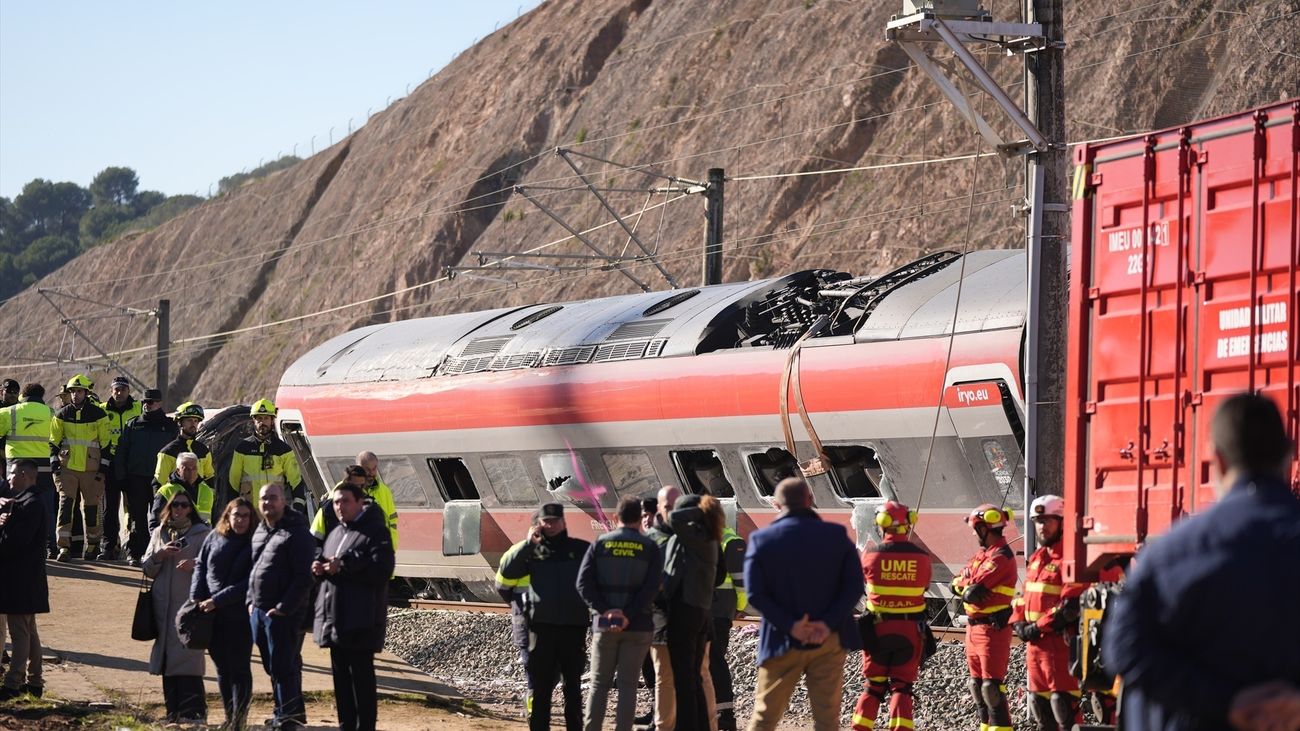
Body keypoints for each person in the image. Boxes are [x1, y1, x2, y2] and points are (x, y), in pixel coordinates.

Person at [1104, 393, 1300, 731]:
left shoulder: (1168, 554)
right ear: (1289, 455)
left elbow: (1124, 650)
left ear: (1217, 460)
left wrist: (1227, 702)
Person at [744, 477, 864, 731]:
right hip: (829, 639)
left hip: (781, 639)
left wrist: (792, 626)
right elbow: (854, 587)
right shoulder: (836, 536)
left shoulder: (761, 540)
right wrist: (826, 623)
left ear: (776, 504)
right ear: (810, 500)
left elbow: (755, 594)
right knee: (827, 720)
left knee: (765, 717)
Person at [498, 502, 591, 731]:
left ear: (563, 522)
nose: (550, 525)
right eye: (546, 521)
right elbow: (507, 574)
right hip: (540, 630)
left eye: (554, 520)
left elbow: (596, 583)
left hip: (573, 629)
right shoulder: (530, 552)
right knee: (541, 689)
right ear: (538, 524)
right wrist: (528, 544)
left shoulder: (581, 549)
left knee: (572, 687)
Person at [312, 481, 395, 731]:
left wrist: (344, 565)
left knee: (361, 681)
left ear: (360, 502)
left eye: (345, 501)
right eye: (336, 502)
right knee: (341, 683)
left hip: (361, 620)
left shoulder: (375, 531)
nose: (340, 507)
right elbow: (330, 567)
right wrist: (318, 569)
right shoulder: (336, 532)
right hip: (334, 620)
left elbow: (382, 569)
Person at [577, 496, 663, 731]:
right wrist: (628, 614)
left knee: (598, 685)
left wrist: (607, 612)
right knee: (628, 685)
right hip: (638, 626)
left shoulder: (600, 543)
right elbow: (652, 587)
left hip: (605, 626)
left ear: (615, 518)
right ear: (640, 518)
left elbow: (583, 584)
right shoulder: (650, 547)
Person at [850, 501, 932, 731]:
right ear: (909, 523)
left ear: (881, 524)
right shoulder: (922, 557)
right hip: (910, 632)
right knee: (901, 687)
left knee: (873, 687)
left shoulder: (870, 555)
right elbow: (924, 586)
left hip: (877, 631)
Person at [1011, 495, 1085, 730]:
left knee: (1063, 707)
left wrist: (1037, 627)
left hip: (1059, 645)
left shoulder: (1070, 559)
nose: (1042, 527)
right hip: (1035, 646)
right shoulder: (1037, 558)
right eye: (1038, 521)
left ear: (1062, 522)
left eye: (1047, 521)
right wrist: (1018, 621)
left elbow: (1070, 606)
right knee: (1040, 708)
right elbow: (1023, 595)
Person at [248, 482, 315, 729]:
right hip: (258, 612)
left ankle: (288, 719)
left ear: (283, 501)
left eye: (273, 498)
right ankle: (284, 712)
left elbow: (304, 577)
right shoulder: (260, 530)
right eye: (264, 498)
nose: (268, 502)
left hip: (283, 614)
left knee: (284, 666)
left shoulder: (298, 533)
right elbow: (253, 569)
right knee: (273, 666)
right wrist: (250, 601)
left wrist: (285, 607)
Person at [143, 491, 211, 723]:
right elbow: (147, 568)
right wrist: (159, 555)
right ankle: (172, 712)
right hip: (162, 609)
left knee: (189, 660)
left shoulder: (203, 534)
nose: (179, 509)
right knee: (167, 662)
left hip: (189, 609)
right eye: (175, 506)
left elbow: (214, 565)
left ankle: (195, 713)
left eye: (184, 505)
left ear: (191, 509)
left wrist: (195, 564)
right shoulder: (159, 533)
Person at [951, 504, 1019, 731]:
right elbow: (957, 584)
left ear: (985, 528)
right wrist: (966, 585)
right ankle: (984, 727)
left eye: (976, 528)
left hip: (992, 629)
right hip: (973, 629)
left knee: (991, 688)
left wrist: (966, 586)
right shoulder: (982, 556)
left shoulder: (1000, 557)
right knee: (977, 685)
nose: (974, 534)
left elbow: (971, 592)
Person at [192, 497, 256, 730]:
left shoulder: (255, 543)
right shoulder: (214, 537)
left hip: (240, 617)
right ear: (228, 516)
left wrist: (216, 601)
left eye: (246, 516)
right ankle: (230, 717)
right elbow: (201, 565)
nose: (241, 520)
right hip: (212, 616)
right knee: (221, 667)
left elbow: (249, 582)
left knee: (239, 668)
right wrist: (196, 595)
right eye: (236, 515)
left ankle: (239, 720)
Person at [662, 493, 724, 731]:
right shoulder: (707, 536)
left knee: (683, 678)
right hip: (700, 612)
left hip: (684, 611)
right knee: (693, 676)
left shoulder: (696, 536)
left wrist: (698, 509)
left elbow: (674, 519)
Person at [49, 374, 113, 562]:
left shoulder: (98, 414)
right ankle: (63, 547)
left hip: (91, 470)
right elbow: (53, 442)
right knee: (65, 507)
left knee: (92, 509)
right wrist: (55, 466)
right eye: (72, 391)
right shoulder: (61, 414)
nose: (75, 395)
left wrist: (103, 470)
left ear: (86, 393)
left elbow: (106, 444)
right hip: (67, 468)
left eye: (78, 391)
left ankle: (93, 545)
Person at [0, 460, 49, 700]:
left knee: (19, 632)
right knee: (29, 631)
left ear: (23, 475)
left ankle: (13, 683)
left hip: (20, 579)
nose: (8, 478)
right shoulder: (29, 502)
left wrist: (2, 526)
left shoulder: (29, 505)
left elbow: (15, 543)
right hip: (27, 579)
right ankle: (35, 681)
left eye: (11, 474)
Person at [115, 389, 177, 566]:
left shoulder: (170, 426)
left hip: (162, 481)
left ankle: (159, 553)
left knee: (162, 518)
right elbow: (122, 452)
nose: (146, 405)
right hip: (136, 479)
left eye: (150, 402)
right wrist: (122, 477)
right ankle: (136, 553)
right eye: (144, 402)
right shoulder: (133, 424)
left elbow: (177, 452)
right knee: (137, 518)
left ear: (159, 403)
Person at [0, 383, 57, 558]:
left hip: (17, 470)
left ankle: (13, 544)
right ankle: (50, 546)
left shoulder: (9, 412)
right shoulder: (51, 413)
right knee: (47, 508)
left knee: (14, 506)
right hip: (44, 468)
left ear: (22, 395)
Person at [495, 513, 541, 719]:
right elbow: (502, 586)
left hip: (554, 623)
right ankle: (533, 710)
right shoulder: (516, 553)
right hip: (527, 623)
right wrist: (518, 606)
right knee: (533, 669)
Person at [646, 485, 680, 731]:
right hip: (661, 622)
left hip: (691, 621)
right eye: (668, 507)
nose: (673, 512)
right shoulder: (649, 541)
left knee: (697, 677)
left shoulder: (697, 536)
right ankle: (663, 725)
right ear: (660, 508)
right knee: (664, 678)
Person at [230, 400, 305, 512]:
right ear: (253, 420)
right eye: (259, 418)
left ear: (272, 421)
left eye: (266, 418)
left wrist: (298, 507)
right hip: (251, 513)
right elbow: (233, 482)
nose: (262, 422)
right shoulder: (242, 448)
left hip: (276, 512)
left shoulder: (283, 450)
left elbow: (296, 480)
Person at [310, 461, 397, 552]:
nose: (358, 489)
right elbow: (313, 541)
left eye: (361, 486)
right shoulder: (327, 509)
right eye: (354, 486)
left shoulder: (373, 510)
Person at [710, 523, 747, 731]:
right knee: (709, 662)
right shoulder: (720, 540)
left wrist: (740, 606)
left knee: (714, 661)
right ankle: (715, 711)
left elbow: (741, 581)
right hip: (713, 610)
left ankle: (724, 714)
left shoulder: (732, 542)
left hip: (719, 610)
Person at [100, 376, 141, 560]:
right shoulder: (102, 409)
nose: (119, 392)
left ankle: (133, 548)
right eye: (116, 389)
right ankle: (109, 546)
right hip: (110, 464)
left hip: (131, 464)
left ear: (128, 391)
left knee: (133, 508)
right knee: (109, 508)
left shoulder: (138, 408)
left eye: (123, 389)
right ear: (111, 391)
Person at [151, 452, 215, 532]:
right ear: (178, 470)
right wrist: (162, 539)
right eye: (187, 469)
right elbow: (155, 524)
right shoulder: (166, 491)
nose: (191, 472)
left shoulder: (207, 490)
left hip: (203, 537)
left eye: (194, 468)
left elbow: (215, 519)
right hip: (176, 538)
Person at [154, 402, 213, 489]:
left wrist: (211, 495)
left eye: (196, 421)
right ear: (179, 423)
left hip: (199, 497)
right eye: (189, 420)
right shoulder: (167, 452)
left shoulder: (204, 450)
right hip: (176, 497)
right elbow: (158, 483)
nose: (193, 424)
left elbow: (210, 478)